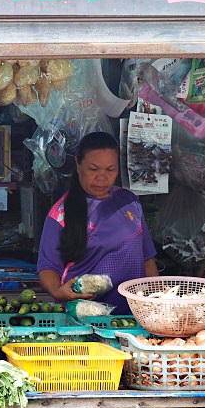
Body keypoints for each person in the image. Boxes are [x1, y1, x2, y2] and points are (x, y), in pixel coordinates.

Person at [37, 131, 158, 314]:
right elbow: (47, 267)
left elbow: (147, 259)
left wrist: (156, 299)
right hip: (87, 315)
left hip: (135, 315)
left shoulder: (129, 201)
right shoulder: (60, 214)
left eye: (110, 170)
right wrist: (58, 291)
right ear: (78, 164)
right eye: (93, 169)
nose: (102, 177)